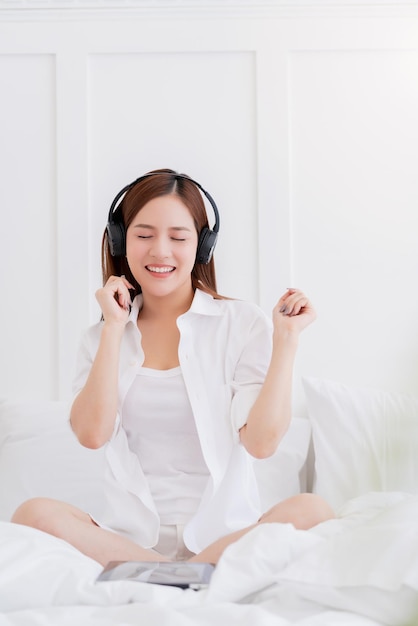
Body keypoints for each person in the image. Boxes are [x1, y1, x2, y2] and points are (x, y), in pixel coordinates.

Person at [12, 168, 334, 565]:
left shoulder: (241, 324)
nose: (160, 251)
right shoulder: (99, 338)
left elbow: (261, 444)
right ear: (119, 241)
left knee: (313, 510)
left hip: (225, 540)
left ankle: (172, 575)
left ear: (202, 246)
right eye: (144, 236)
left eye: (178, 238)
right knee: (33, 514)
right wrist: (115, 327)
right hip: (129, 543)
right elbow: (92, 435)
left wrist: (286, 340)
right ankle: (180, 575)